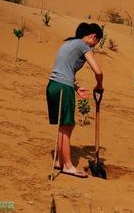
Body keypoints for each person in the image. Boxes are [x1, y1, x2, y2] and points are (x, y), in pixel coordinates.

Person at [46, 22, 104, 178]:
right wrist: (99, 85)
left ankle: (59, 161)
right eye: (96, 43)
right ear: (93, 37)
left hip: (53, 86)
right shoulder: (83, 45)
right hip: (63, 87)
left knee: (63, 125)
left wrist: (76, 87)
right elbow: (98, 71)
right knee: (67, 125)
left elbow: (62, 67)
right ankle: (68, 166)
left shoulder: (69, 43)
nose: (94, 47)